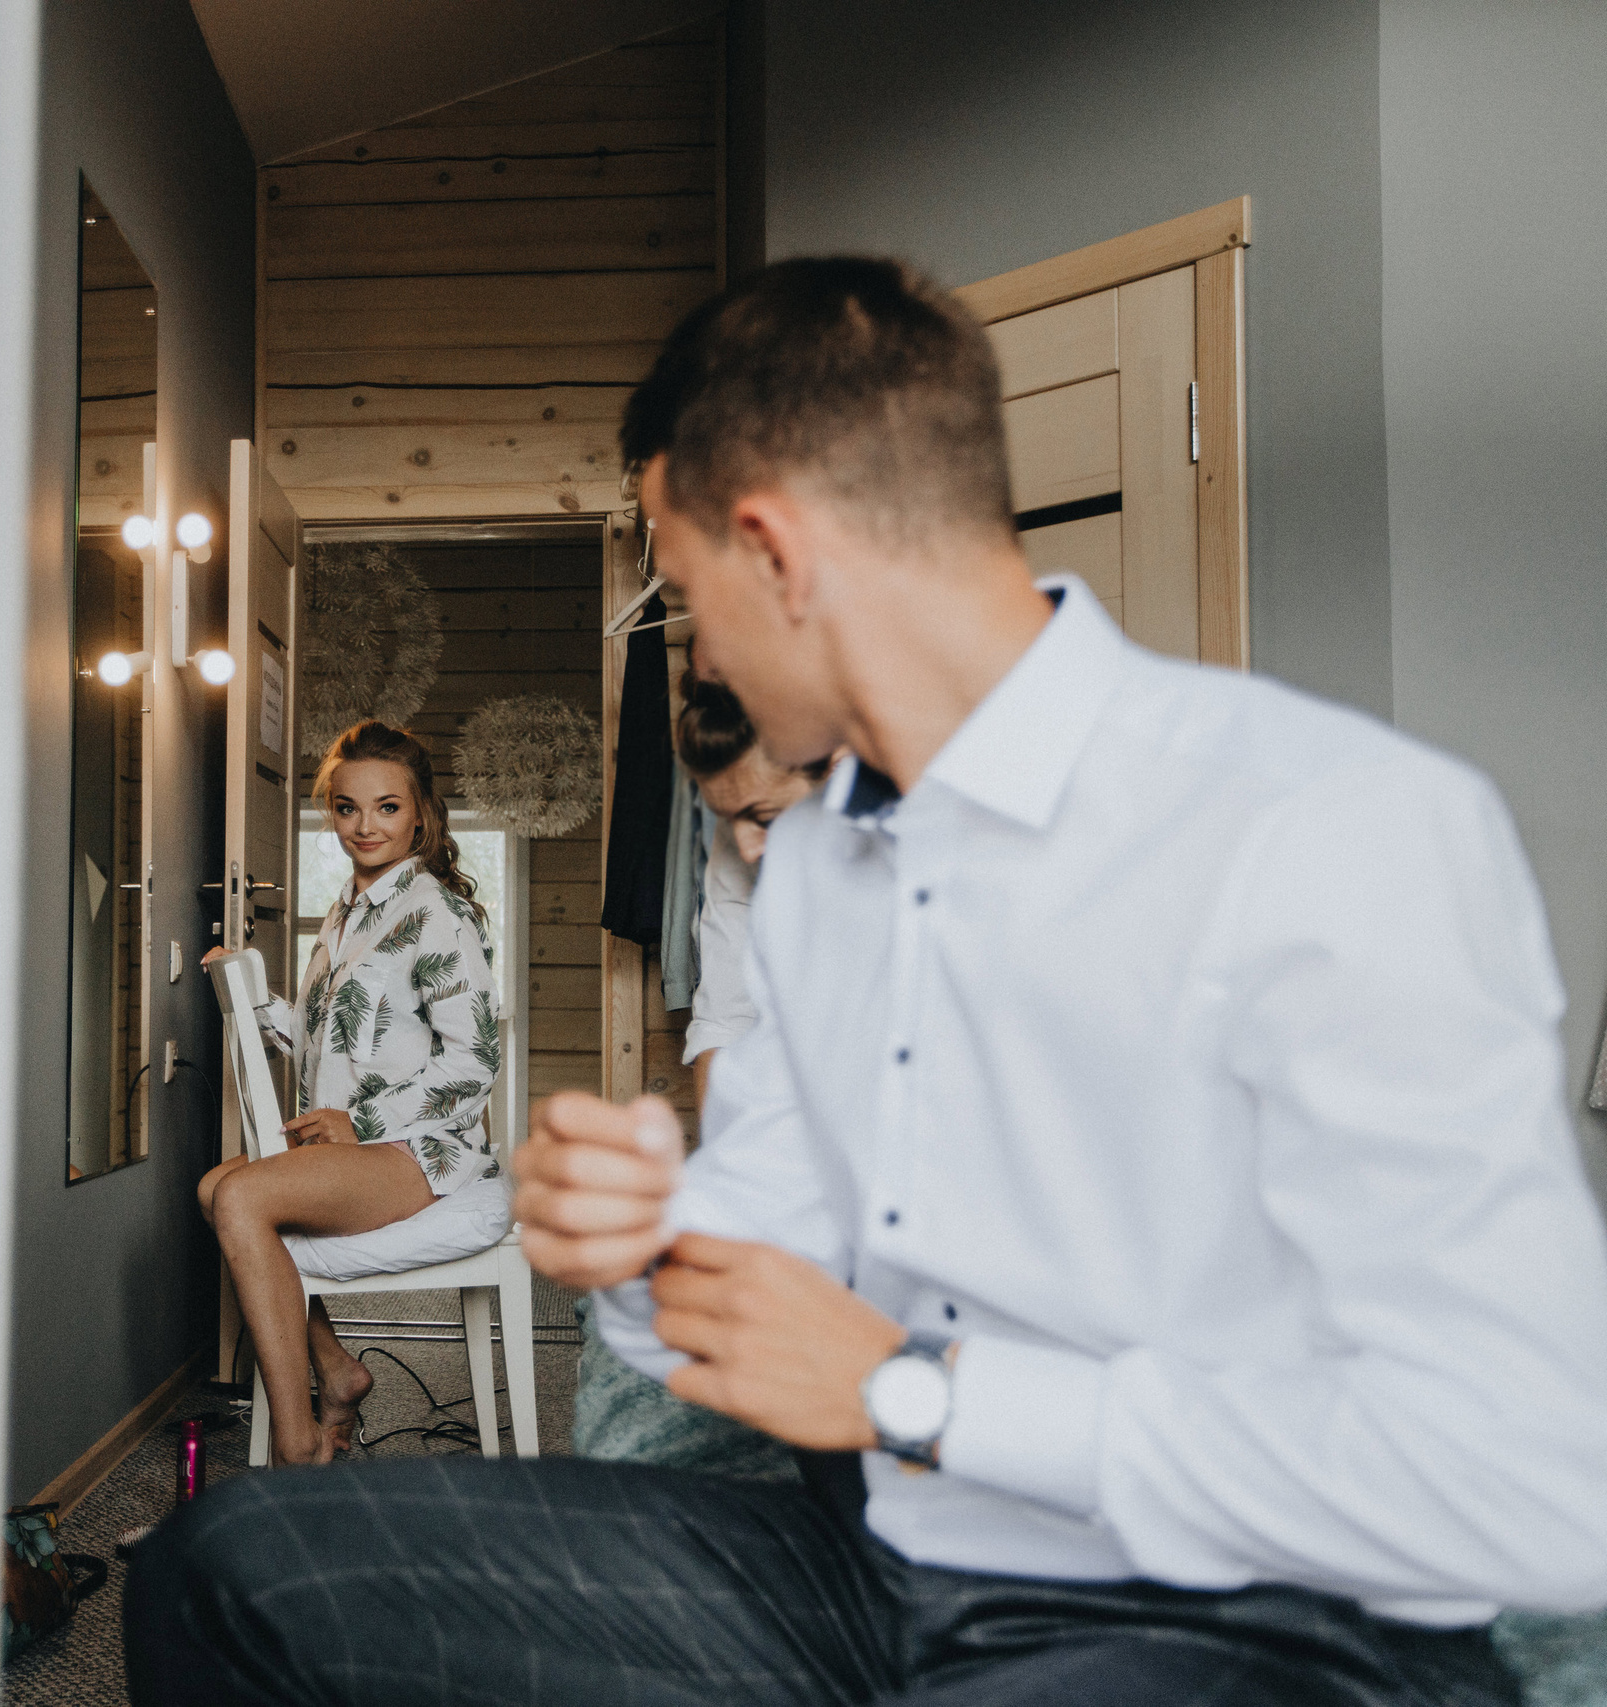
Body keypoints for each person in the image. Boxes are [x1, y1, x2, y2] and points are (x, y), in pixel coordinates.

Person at [128, 257, 1607, 1706]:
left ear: (776, 554)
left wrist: (923, 1395)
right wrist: (642, 1240)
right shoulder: (823, 864)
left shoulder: (1326, 826)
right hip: (868, 1564)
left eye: (682, 590)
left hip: (1227, 1616)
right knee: (231, 1567)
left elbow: (1533, 1481)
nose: (693, 650)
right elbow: (753, 1258)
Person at [197, 720, 502, 1466]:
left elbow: (475, 1063)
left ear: (421, 815)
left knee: (241, 1198)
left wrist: (359, 1120)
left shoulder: (438, 914)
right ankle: (337, 1369)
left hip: (420, 1150)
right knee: (214, 1188)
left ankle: (296, 1442)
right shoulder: (344, 914)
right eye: (347, 807)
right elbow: (321, 1040)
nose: (365, 825)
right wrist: (248, 993)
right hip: (358, 1144)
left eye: (387, 807)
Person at [671, 655, 824, 1109]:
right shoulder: (742, 839)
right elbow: (725, 1013)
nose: (746, 846)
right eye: (728, 818)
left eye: (764, 816)